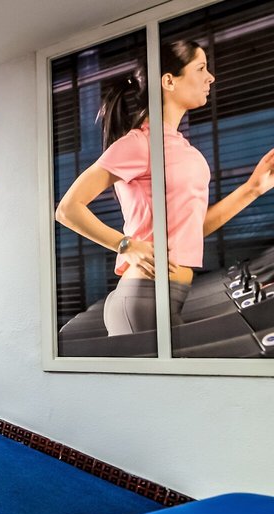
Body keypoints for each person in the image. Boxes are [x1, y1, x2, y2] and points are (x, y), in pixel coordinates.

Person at [55, 40, 274, 336]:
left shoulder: (180, 147)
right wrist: (126, 245)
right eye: (201, 68)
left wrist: (253, 188)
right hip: (144, 296)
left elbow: (191, 229)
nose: (210, 77)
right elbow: (67, 209)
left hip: (163, 295)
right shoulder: (139, 143)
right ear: (169, 81)